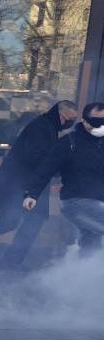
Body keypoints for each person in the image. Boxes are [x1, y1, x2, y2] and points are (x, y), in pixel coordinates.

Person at [0, 101, 79, 269]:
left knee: (12, 222)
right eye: (70, 118)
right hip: (23, 185)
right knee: (30, 222)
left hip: (24, 184)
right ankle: (7, 262)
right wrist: (56, 169)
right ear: (61, 115)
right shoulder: (42, 127)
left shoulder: (47, 126)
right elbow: (34, 157)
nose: (70, 123)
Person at [24, 102, 104, 255]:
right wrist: (32, 193)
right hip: (76, 201)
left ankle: (79, 274)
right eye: (97, 122)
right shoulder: (69, 142)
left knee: (91, 242)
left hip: (99, 201)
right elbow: (46, 168)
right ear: (85, 121)